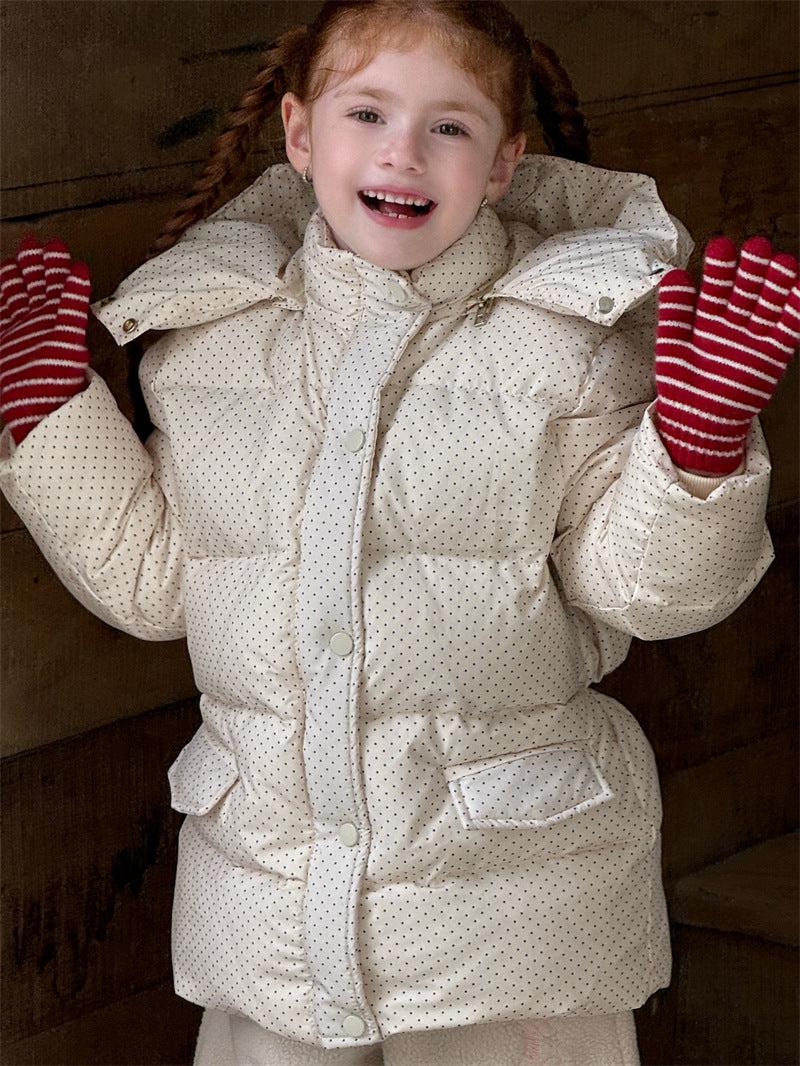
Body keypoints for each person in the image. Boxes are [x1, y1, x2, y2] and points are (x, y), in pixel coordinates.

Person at [1, 2, 798, 1064]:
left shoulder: (568, 347)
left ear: (504, 163)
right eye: (367, 113)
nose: (403, 153)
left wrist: (695, 455)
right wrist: (52, 419)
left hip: (509, 912)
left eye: (449, 126)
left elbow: (639, 592)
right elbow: (158, 584)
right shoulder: (208, 342)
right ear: (299, 133)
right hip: (273, 903)